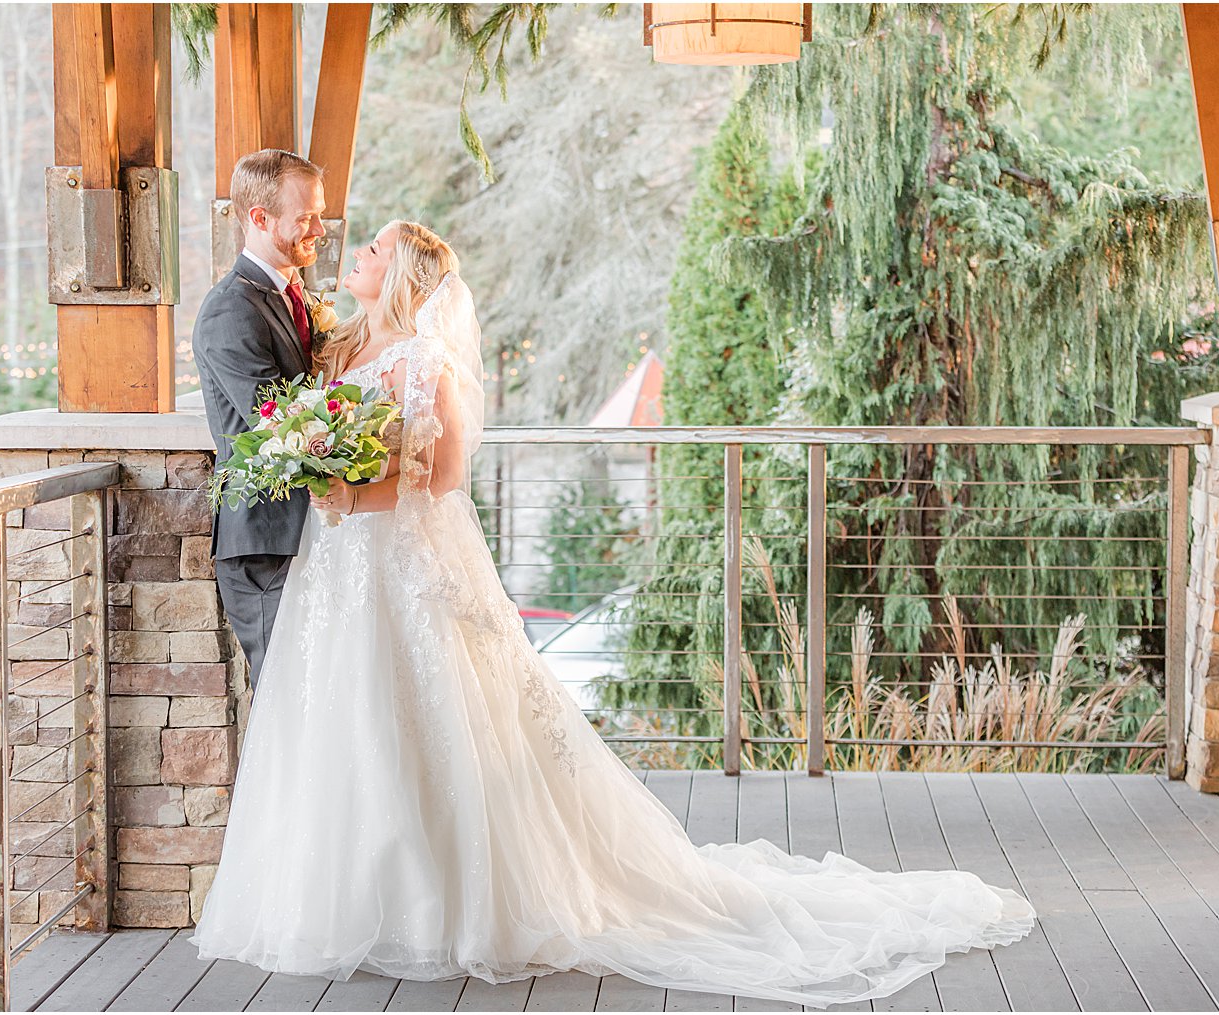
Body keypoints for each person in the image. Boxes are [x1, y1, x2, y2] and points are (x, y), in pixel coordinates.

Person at [188, 220, 1036, 1006]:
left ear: (403, 274)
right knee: (347, 722)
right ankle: (346, 896)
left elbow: (439, 476)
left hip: (399, 559)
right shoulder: (342, 344)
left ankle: (447, 903)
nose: (356, 253)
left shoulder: (423, 361)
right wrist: (324, 471)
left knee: (430, 716)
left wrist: (349, 490)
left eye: (373, 247)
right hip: (337, 567)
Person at [191, 148, 327, 689]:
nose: (319, 227)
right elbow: (280, 423)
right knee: (286, 702)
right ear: (259, 218)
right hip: (265, 545)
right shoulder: (231, 309)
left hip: (304, 532)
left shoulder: (294, 296)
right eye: (306, 216)